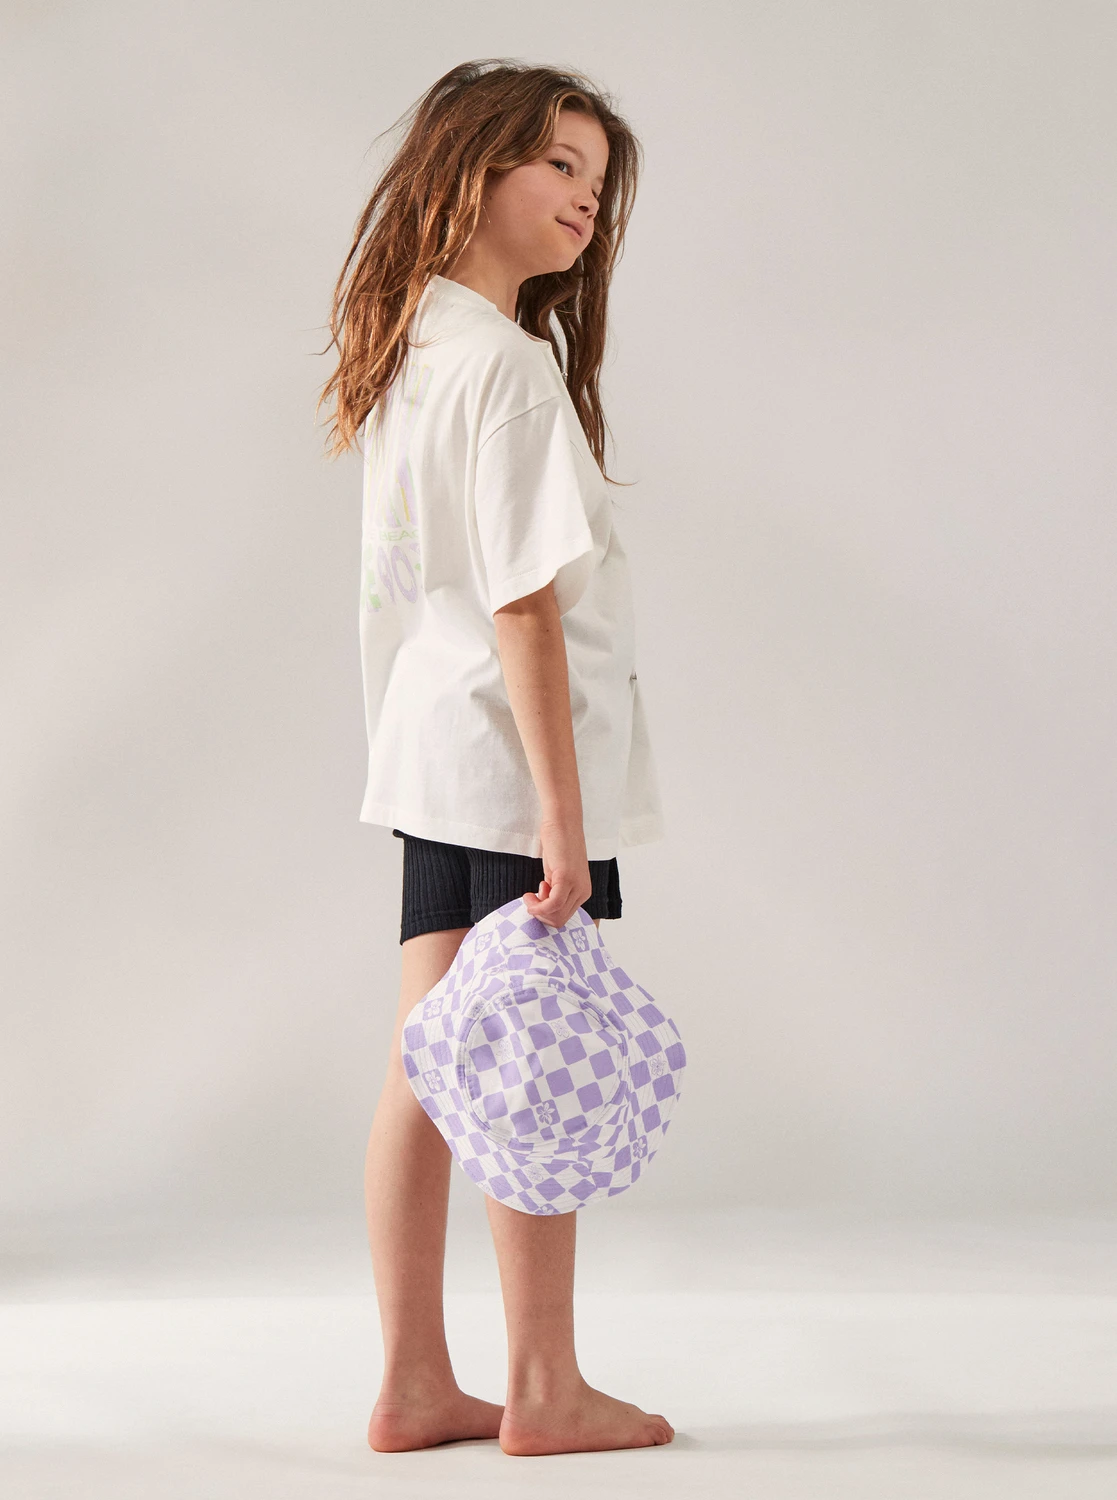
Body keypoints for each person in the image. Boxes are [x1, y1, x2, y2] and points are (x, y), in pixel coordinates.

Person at [318, 59, 672, 1459]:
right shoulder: (508, 373)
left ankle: (415, 1382)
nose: (586, 199)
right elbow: (525, 606)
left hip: (434, 749)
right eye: (558, 166)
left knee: (429, 1062)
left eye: (598, 179)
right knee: (526, 1056)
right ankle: (545, 1386)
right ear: (473, 172)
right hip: (507, 766)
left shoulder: (414, 344)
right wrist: (564, 825)